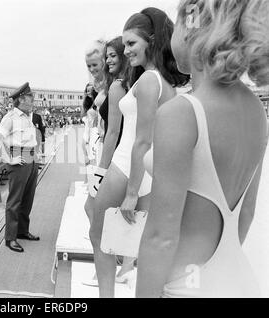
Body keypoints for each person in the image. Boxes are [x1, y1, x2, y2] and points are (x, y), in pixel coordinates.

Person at [137, 0, 269, 298]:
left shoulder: (182, 113)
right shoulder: (256, 111)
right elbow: (246, 213)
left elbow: (161, 238)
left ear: (192, 29)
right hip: (238, 280)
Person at [90, 7, 190, 298]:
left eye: (132, 43)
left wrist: (131, 192)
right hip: (148, 172)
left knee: (100, 236)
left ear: (151, 40)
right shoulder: (165, 82)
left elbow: (142, 140)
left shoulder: (148, 80)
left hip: (127, 168)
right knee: (137, 243)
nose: (126, 50)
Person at [83, 37, 129, 287]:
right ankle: (115, 266)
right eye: (88, 66)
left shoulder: (116, 85)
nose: (94, 69)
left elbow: (114, 130)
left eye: (97, 62)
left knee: (96, 212)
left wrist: (101, 169)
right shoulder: (106, 85)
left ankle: (110, 267)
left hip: (111, 156)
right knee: (99, 212)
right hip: (104, 152)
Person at [0, 82, 40, 253]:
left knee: (27, 199)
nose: (33, 100)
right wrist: (8, 159)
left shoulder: (28, 115)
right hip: (18, 158)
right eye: (30, 97)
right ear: (21, 99)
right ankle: (10, 237)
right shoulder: (10, 117)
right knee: (15, 200)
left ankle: (22, 231)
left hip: (31, 157)